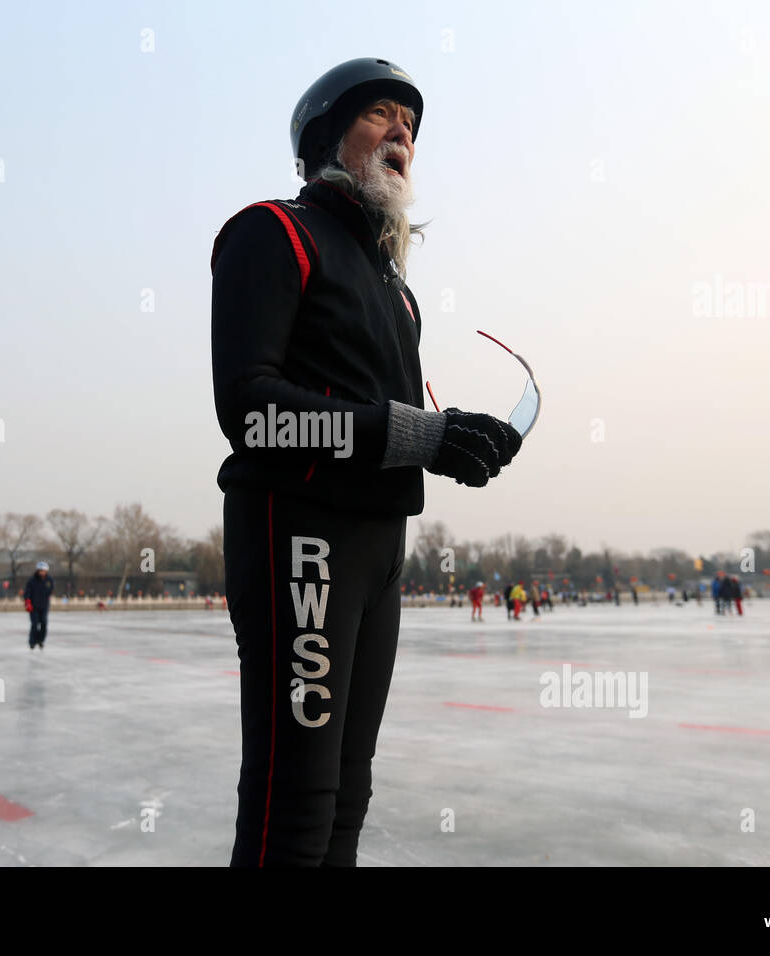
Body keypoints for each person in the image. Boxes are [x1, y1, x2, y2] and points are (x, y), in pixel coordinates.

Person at [211, 57, 521, 867]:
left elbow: (399, 419)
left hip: (380, 544)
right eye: (382, 115)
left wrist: (460, 440)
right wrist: (420, 437)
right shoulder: (272, 232)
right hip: (299, 533)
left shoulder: (398, 289)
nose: (402, 136)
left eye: (410, 127)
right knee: (297, 799)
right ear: (325, 136)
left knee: (349, 794)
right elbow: (251, 413)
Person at [24, 561, 54, 649]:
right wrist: (27, 603)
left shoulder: (49, 580)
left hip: (44, 606)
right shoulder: (32, 581)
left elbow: (50, 591)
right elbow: (27, 593)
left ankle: (41, 640)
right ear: (38, 570)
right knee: (34, 624)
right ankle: (32, 641)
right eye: (40, 570)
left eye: (44, 571)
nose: (42, 572)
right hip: (33, 606)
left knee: (44, 623)